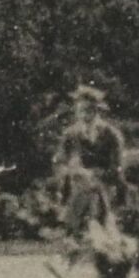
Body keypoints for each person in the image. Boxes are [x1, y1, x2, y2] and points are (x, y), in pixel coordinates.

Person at [52, 83, 129, 234]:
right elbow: (59, 162)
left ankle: (73, 226)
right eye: (81, 110)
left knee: (93, 191)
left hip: (107, 185)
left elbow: (117, 168)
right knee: (86, 190)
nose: (84, 114)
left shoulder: (111, 134)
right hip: (77, 184)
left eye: (89, 109)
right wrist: (73, 171)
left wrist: (93, 175)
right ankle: (95, 227)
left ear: (98, 111)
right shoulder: (70, 135)